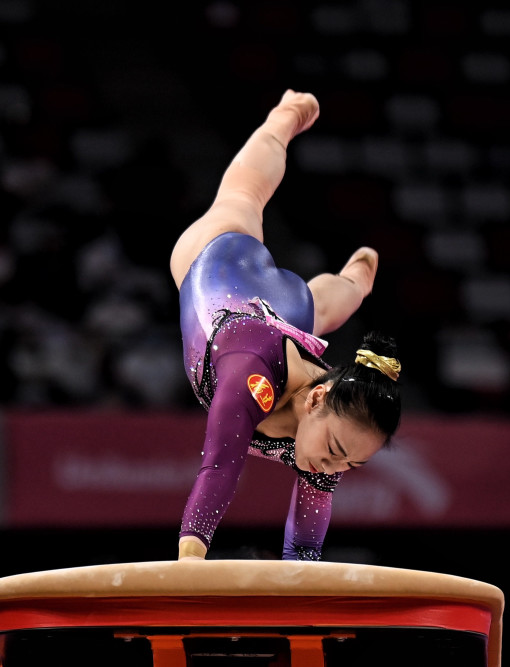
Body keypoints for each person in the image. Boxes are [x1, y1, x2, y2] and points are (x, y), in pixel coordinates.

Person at [170, 89, 404, 561]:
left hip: (283, 314)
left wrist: (300, 583)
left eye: (351, 464)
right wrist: (189, 562)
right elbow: (219, 468)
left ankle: (355, 281)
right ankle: (282, 119)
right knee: (243, 196)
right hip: (223, 261)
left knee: (321, 307)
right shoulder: (247, 375)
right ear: (316, 399)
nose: (333, 468)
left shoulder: (333, 433)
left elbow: (304, 543)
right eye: (335, 451)